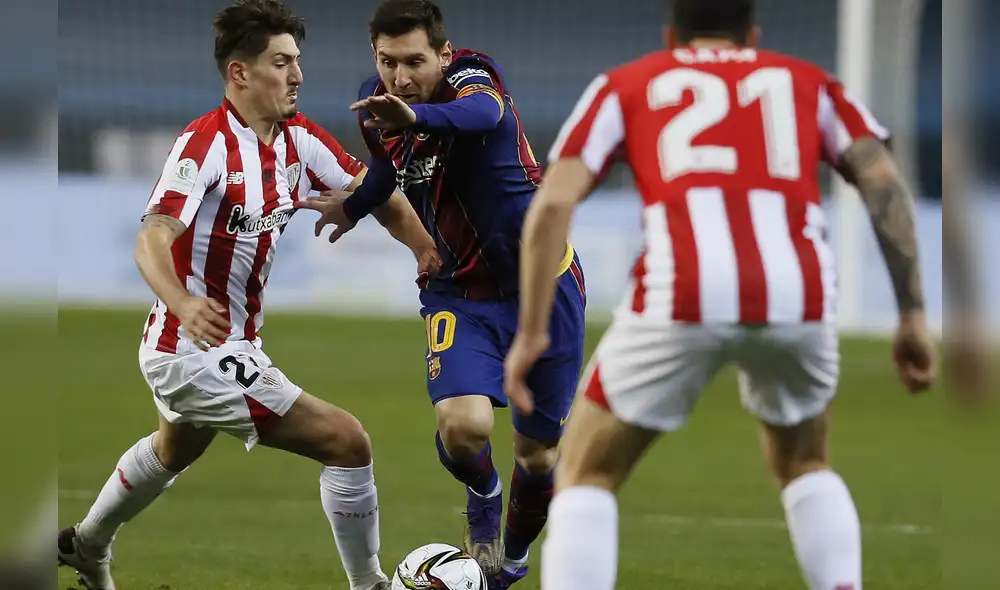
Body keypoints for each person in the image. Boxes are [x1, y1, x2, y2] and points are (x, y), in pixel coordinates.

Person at [503, 1, 938, 589]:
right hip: (799, 293)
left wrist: (532, 330)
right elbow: (885, 184)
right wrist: (911, 312)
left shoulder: (626, 84)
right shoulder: (810, 83)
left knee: (586, 472)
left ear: (670, 35)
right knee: (805, 463)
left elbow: (553, 202)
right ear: (752, 35)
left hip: (682, 290)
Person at [56, 2, 437, 590]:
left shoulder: (298, 141)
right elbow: (152, 237)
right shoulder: (204, 145)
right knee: (347, 441)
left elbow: (377, 194)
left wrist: (424, 252)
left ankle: (88, 545)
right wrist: (184, 304)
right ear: (241, 74)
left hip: (230, 342)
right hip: (188, 347)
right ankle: (371, 585)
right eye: (282, 63)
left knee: (173, 450)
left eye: (297, 62)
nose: (298, 76)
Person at [295, 1, 586, 586]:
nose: (400, 77)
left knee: (538, 458)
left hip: (544, 288)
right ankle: (483, 492)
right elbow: (387, 171)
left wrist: (417, 116)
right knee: (463, 426)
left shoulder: (474, 79)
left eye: (414, 61)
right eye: (387, 62)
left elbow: (482, 114)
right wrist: (352, 206)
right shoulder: (376, 104)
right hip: (458, 291)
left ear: (444, 56)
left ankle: (512, 561)